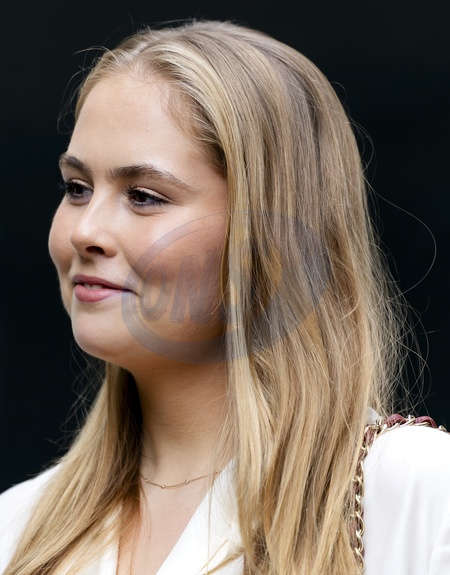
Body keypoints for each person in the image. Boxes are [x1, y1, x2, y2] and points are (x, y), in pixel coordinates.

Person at [0, 19, 449, 575]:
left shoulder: (415, 497)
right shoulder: (17, 528)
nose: (85, 231)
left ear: (270, 234)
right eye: (77, 188)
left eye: (143, 196)